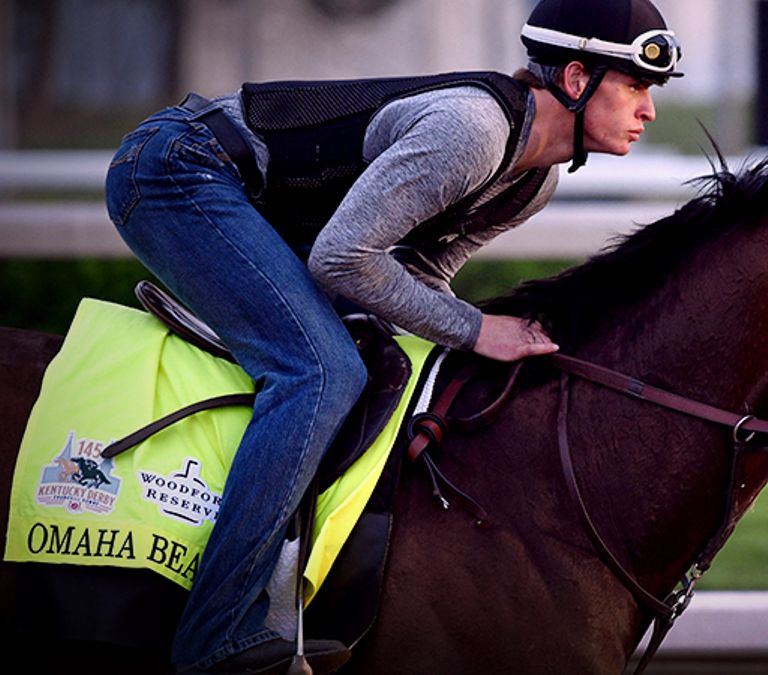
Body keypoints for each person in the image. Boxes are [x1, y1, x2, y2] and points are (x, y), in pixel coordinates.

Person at [103, 0, 682, 672]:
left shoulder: (533, 182)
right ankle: (214, 635)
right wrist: (475, 329)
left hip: (251, 202)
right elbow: (344, 259)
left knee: (383, 357)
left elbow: (419, 274)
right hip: (177, 170)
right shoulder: (472, 131)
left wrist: (487, 341)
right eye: (636, 86)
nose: (649, 111)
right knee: (320, 371)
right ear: (578, 80)